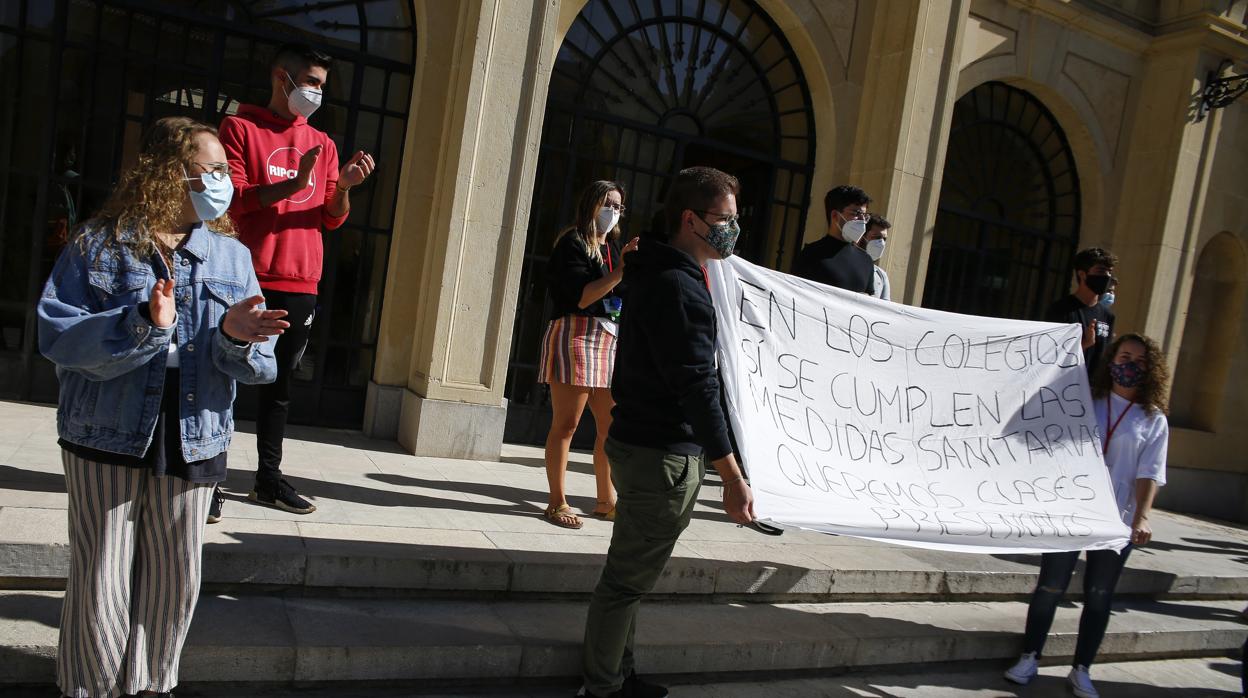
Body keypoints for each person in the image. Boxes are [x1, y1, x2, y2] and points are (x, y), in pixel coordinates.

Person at [37, 117, 283, 698]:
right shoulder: (98, 244)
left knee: (175, 576)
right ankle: (90, 688)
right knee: (101, 574)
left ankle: (151, 686)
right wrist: (141, 321)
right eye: (213, 169)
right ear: (171, 173)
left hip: (196, 429)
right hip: (105, 424)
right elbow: (57, 335)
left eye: (227, 170)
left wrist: (236, 336)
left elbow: (261, 364)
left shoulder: (232, 256)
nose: (224, 180)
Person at [578, 167, 756, 698]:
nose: (732, 229)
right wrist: (731, 473)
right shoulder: (679, 286)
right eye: (724, 219)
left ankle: (618, 673)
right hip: (662, 455)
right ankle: (603, 685)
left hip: (639, 444)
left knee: (627, 577)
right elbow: (696, 386)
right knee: (625, 583)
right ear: (690, 219)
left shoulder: (654, 269)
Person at [217, 43, 376, 520]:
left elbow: (332, 218)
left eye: (321, 86)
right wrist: (292, 183)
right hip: (247, 276)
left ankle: (267, 479)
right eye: (308, 81)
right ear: (279, 77)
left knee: (279, 385)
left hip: (301, 280)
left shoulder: (323, 144)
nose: (314, 92)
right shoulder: (239, 128)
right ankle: (207, 477)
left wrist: (343, 187)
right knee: (223, 378)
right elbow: (237, 199)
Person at [1004, 333, 1170, 698]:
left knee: (1099, 594)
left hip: (1117, 518)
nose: (1130, 366)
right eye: (1125, 356)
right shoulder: (1084, 401)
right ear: (1111, 361)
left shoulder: (1153, 419)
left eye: (1140, 362)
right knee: (1050, 586)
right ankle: (1029, 656)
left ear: (1150, 370)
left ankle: (1082, 669)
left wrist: (1141, 518)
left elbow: (1149, 474)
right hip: (1073, 512)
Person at [539, 181, 639, 529]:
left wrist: (629, 269)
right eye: (609, 203)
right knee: (566, 424)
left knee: (610, 428)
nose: (614, 211)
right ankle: (556, 501)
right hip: (575, 335)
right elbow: (582, 297)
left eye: (620, 206)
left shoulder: (612, 249)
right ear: (592, 203)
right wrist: (621, 271)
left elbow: (619, 296)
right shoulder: (572, 243)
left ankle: (605, 501)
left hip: (607, 339)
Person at [1045, 248, 1117, 377]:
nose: (1106, 277)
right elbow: (1049, 356)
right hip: (1063, 387)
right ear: (1082, 274)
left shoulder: (1108, 316)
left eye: (1109, 272)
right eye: (1100, 271)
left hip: (1093, 392)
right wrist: (1084, 344)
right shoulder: (1060, 310)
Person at [792, 184, 875, 293]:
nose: (862, 220)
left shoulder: (866, 261)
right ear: (835, 215)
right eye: (856, 213)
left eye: (864, 215)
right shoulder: (811, 254)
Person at [865, 214, 891, 301]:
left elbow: (885, 309)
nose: (881, 243)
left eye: (884, 239)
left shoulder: (881, 275)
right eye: (876, 237)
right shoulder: (844, 265)